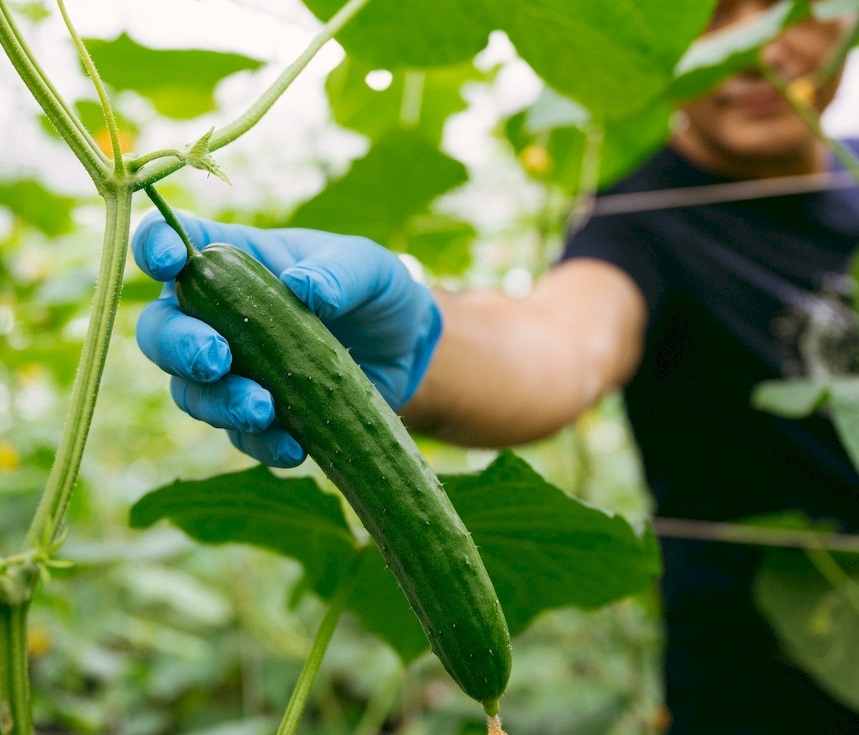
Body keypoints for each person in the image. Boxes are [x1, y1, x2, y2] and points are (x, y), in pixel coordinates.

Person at [132, 1, 859, 732]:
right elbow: (551, 343)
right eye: (707, 13)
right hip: (754, 687)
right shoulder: (637, 224)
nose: (746, 46)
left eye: (776, 4)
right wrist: (424, 332)